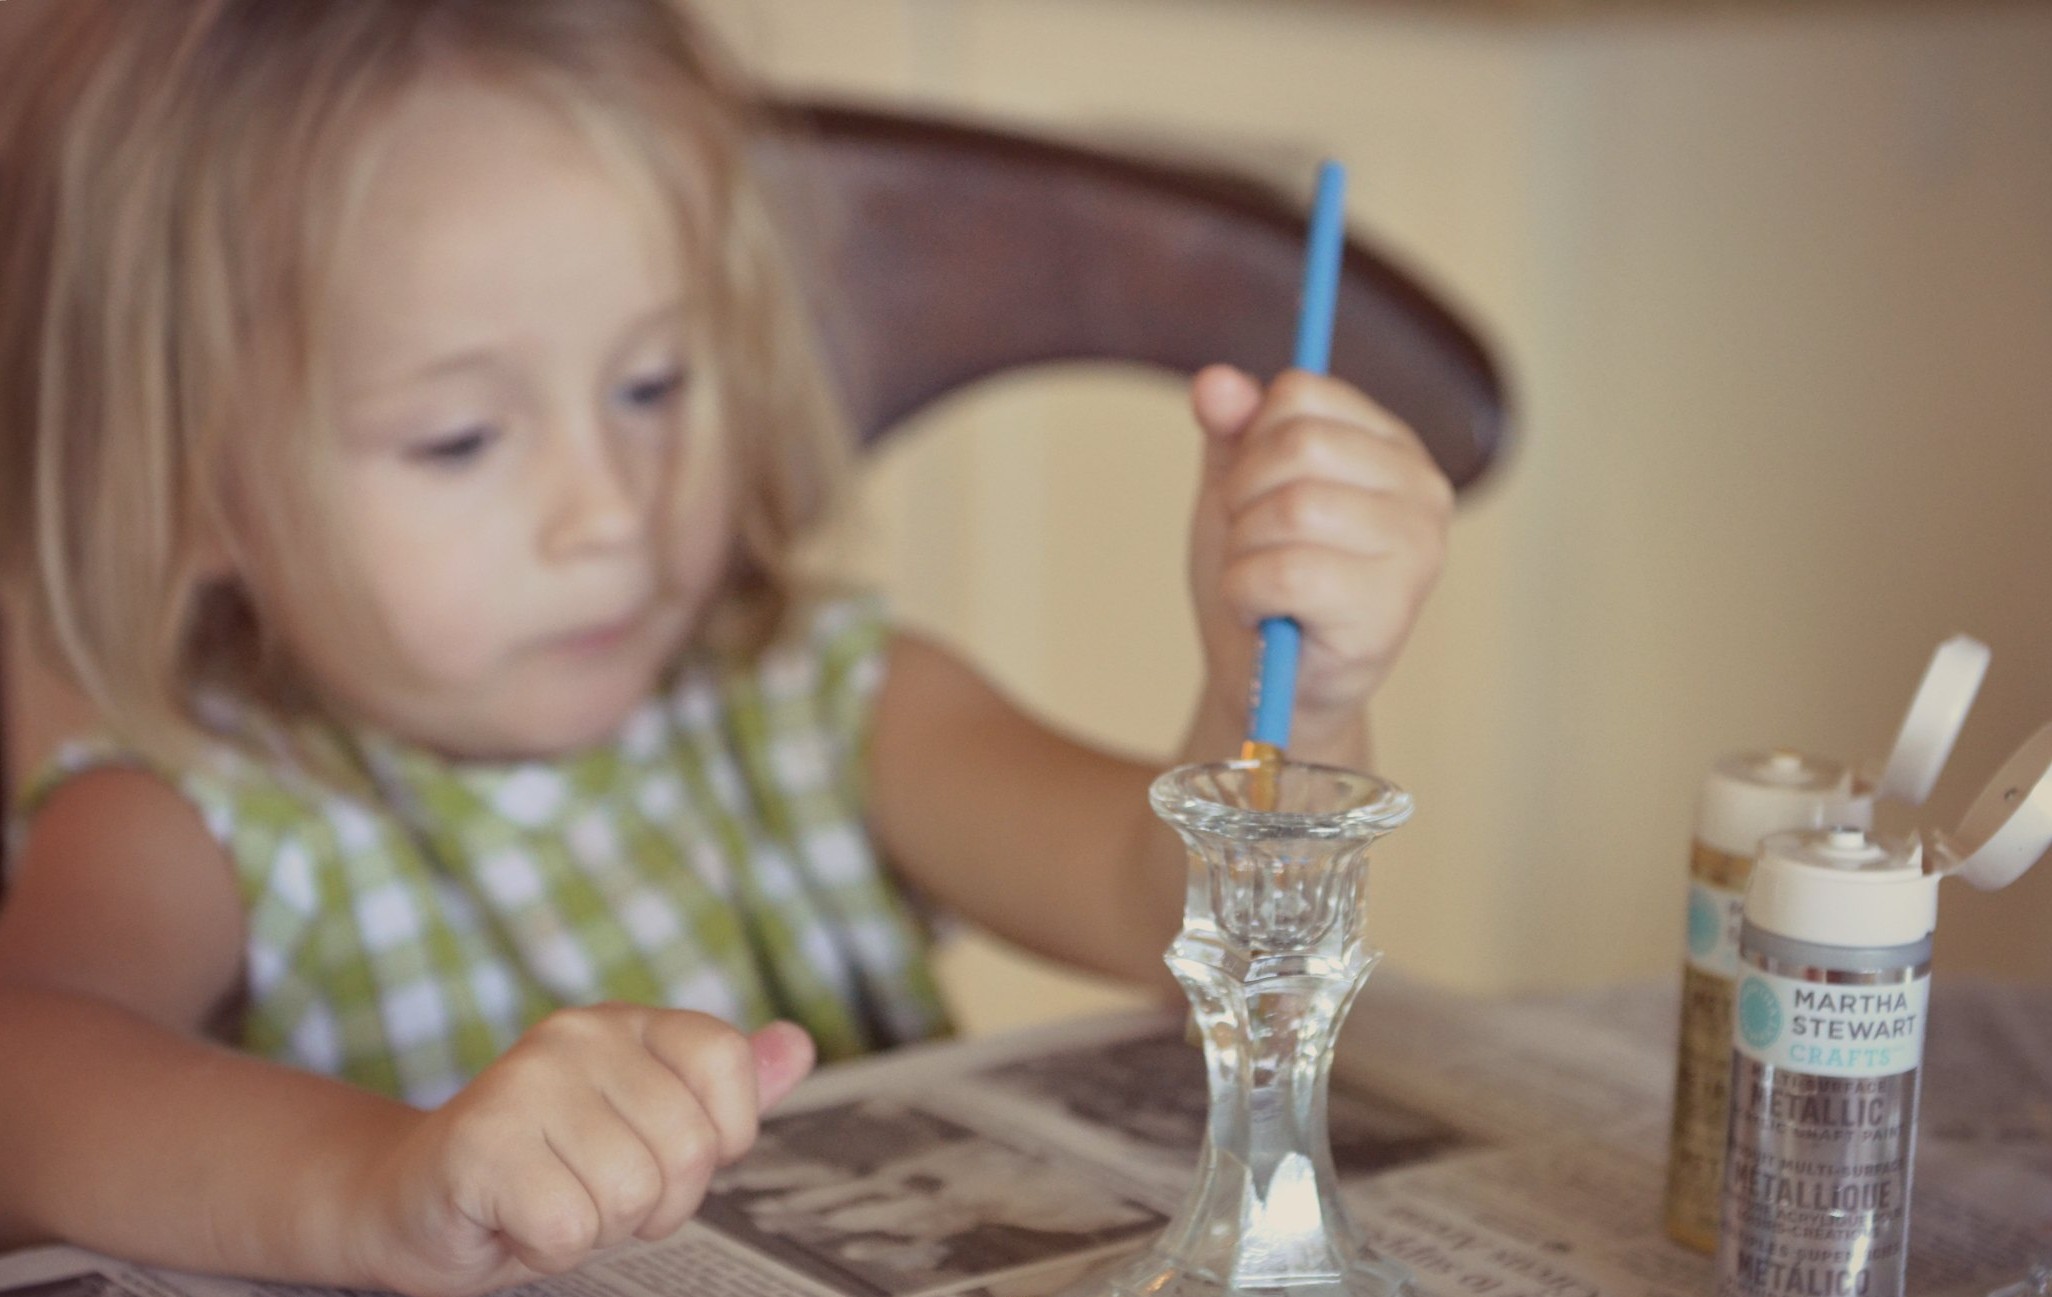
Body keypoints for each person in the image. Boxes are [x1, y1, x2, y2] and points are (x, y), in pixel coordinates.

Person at [0, 2, 1454, 1295]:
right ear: (196, 490)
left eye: (652, 382)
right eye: (459, 437)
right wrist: (383, 1177)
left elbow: (1162, 911)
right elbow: (29, 1069)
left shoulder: (811, 696)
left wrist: (1294, 693)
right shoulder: (202, 807)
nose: (609, 510)